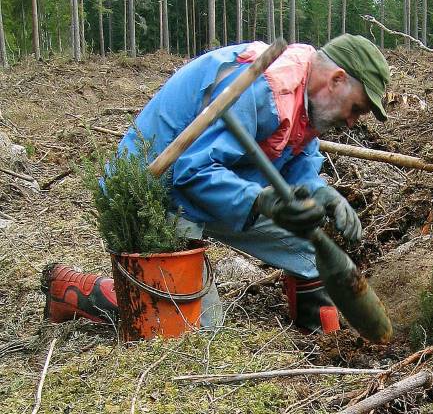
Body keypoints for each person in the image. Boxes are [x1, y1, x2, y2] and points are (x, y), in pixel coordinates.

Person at [42, 34, 391, 334]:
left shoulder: (305, 96)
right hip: (153, 197)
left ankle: (321, 341)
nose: (352, 120)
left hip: (209, 193)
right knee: (193, 329)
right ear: (337, 79)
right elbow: (193, 173)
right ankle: (73, 291)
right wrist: (262, 201)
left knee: (312, 251)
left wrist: (319, 192)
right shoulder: (263, 88)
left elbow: (297, 160)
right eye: (356, 108)